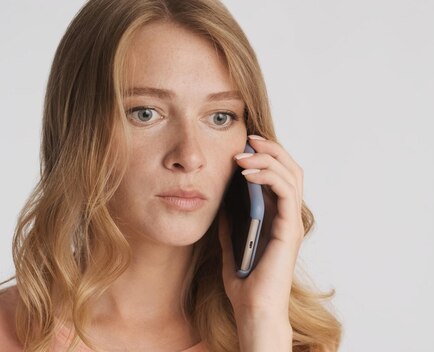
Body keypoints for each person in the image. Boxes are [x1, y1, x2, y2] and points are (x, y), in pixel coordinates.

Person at [0, 0, 342, 351]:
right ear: (78, 128)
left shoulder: (286, 339)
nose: (189, 156)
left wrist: (261, 320)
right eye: (146, 113)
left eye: (220, 117)